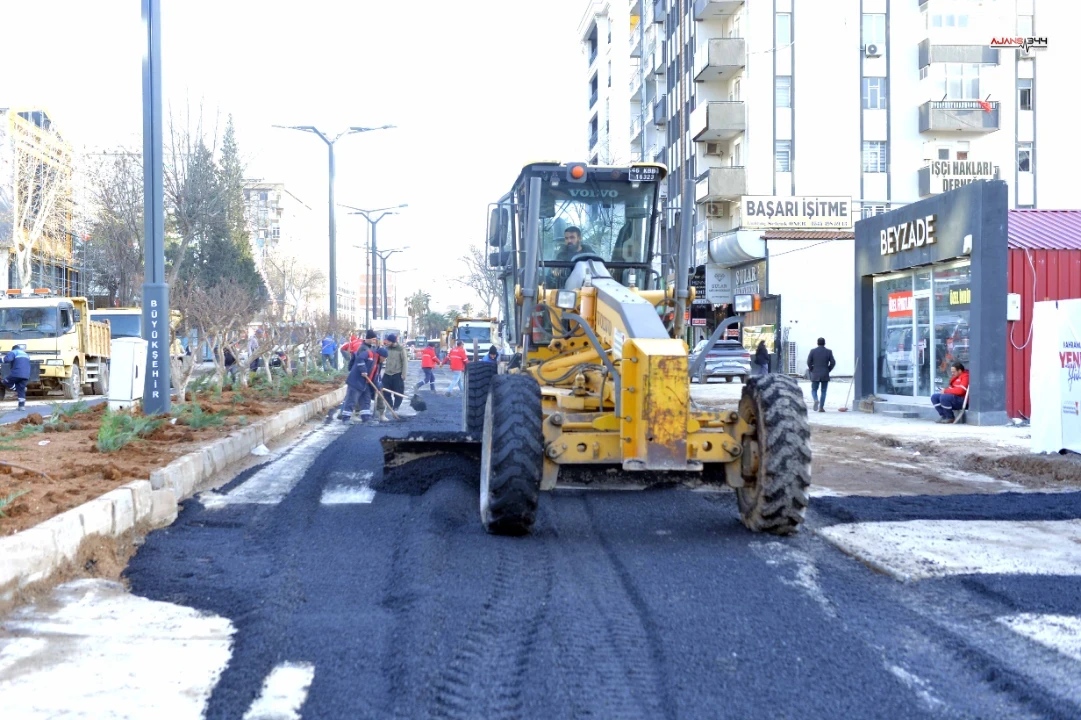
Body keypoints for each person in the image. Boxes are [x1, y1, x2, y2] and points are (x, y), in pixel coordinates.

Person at [339, 332, 376, 424]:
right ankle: (346, 418)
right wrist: (363, 370)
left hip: (365, 380)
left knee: (366, 399)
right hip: (357, 379)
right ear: (369, 338)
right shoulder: (363, 349)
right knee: (352, 399)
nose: (375, 341)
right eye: (374, 339)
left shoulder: (371, 349)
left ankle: (366, 417)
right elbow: (359, 360)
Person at [807, 337, 836, 413]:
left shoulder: (813, 351)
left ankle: (815, 399)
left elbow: (808, 361)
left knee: (814, 390)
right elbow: (833, 362)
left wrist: (811, 369)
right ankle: (821, 408)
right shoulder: (829, 352)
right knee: (823, 391)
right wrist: (828, 369)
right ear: (824, 343)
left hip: (815, 373)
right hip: (825, 374)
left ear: (817, 343)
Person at [381, 333, 408, 413]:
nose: (387, 343)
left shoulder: (401, 349)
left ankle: (396, 407)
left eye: (389, 341)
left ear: (393, 341)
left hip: (397, 374)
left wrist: (404, 374)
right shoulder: (386, 349)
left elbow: (405, 362)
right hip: (387, 373)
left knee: (398, 393)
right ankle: (390, 406)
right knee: (385, 391)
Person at [1, 343, 31, 410]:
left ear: (13, 349)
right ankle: (21, 406)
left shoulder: (14, 352)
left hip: (17, 373)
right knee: (21, 389)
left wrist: (1, 359)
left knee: (5, 381)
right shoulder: (26, 354)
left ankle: (17, 389)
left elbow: (7, 360)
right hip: (26, 375)